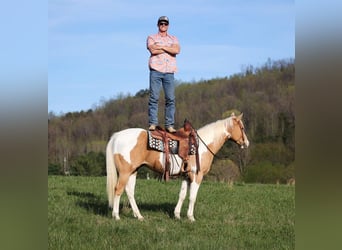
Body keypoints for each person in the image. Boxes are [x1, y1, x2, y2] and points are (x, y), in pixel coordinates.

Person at [146, 16, 180, 133]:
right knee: (154, 98)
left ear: (168, 25)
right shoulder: (151, 37)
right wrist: (168, 48)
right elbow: (153, 50)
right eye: (161, 23)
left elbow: (177, 50)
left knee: (170, 99)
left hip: (169, 72)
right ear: (158, 25)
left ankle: (169, 125)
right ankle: (153, 123)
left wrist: (160, 46)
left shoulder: (174, 38)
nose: (163, 25)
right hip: (156, 70)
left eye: (165, 24)